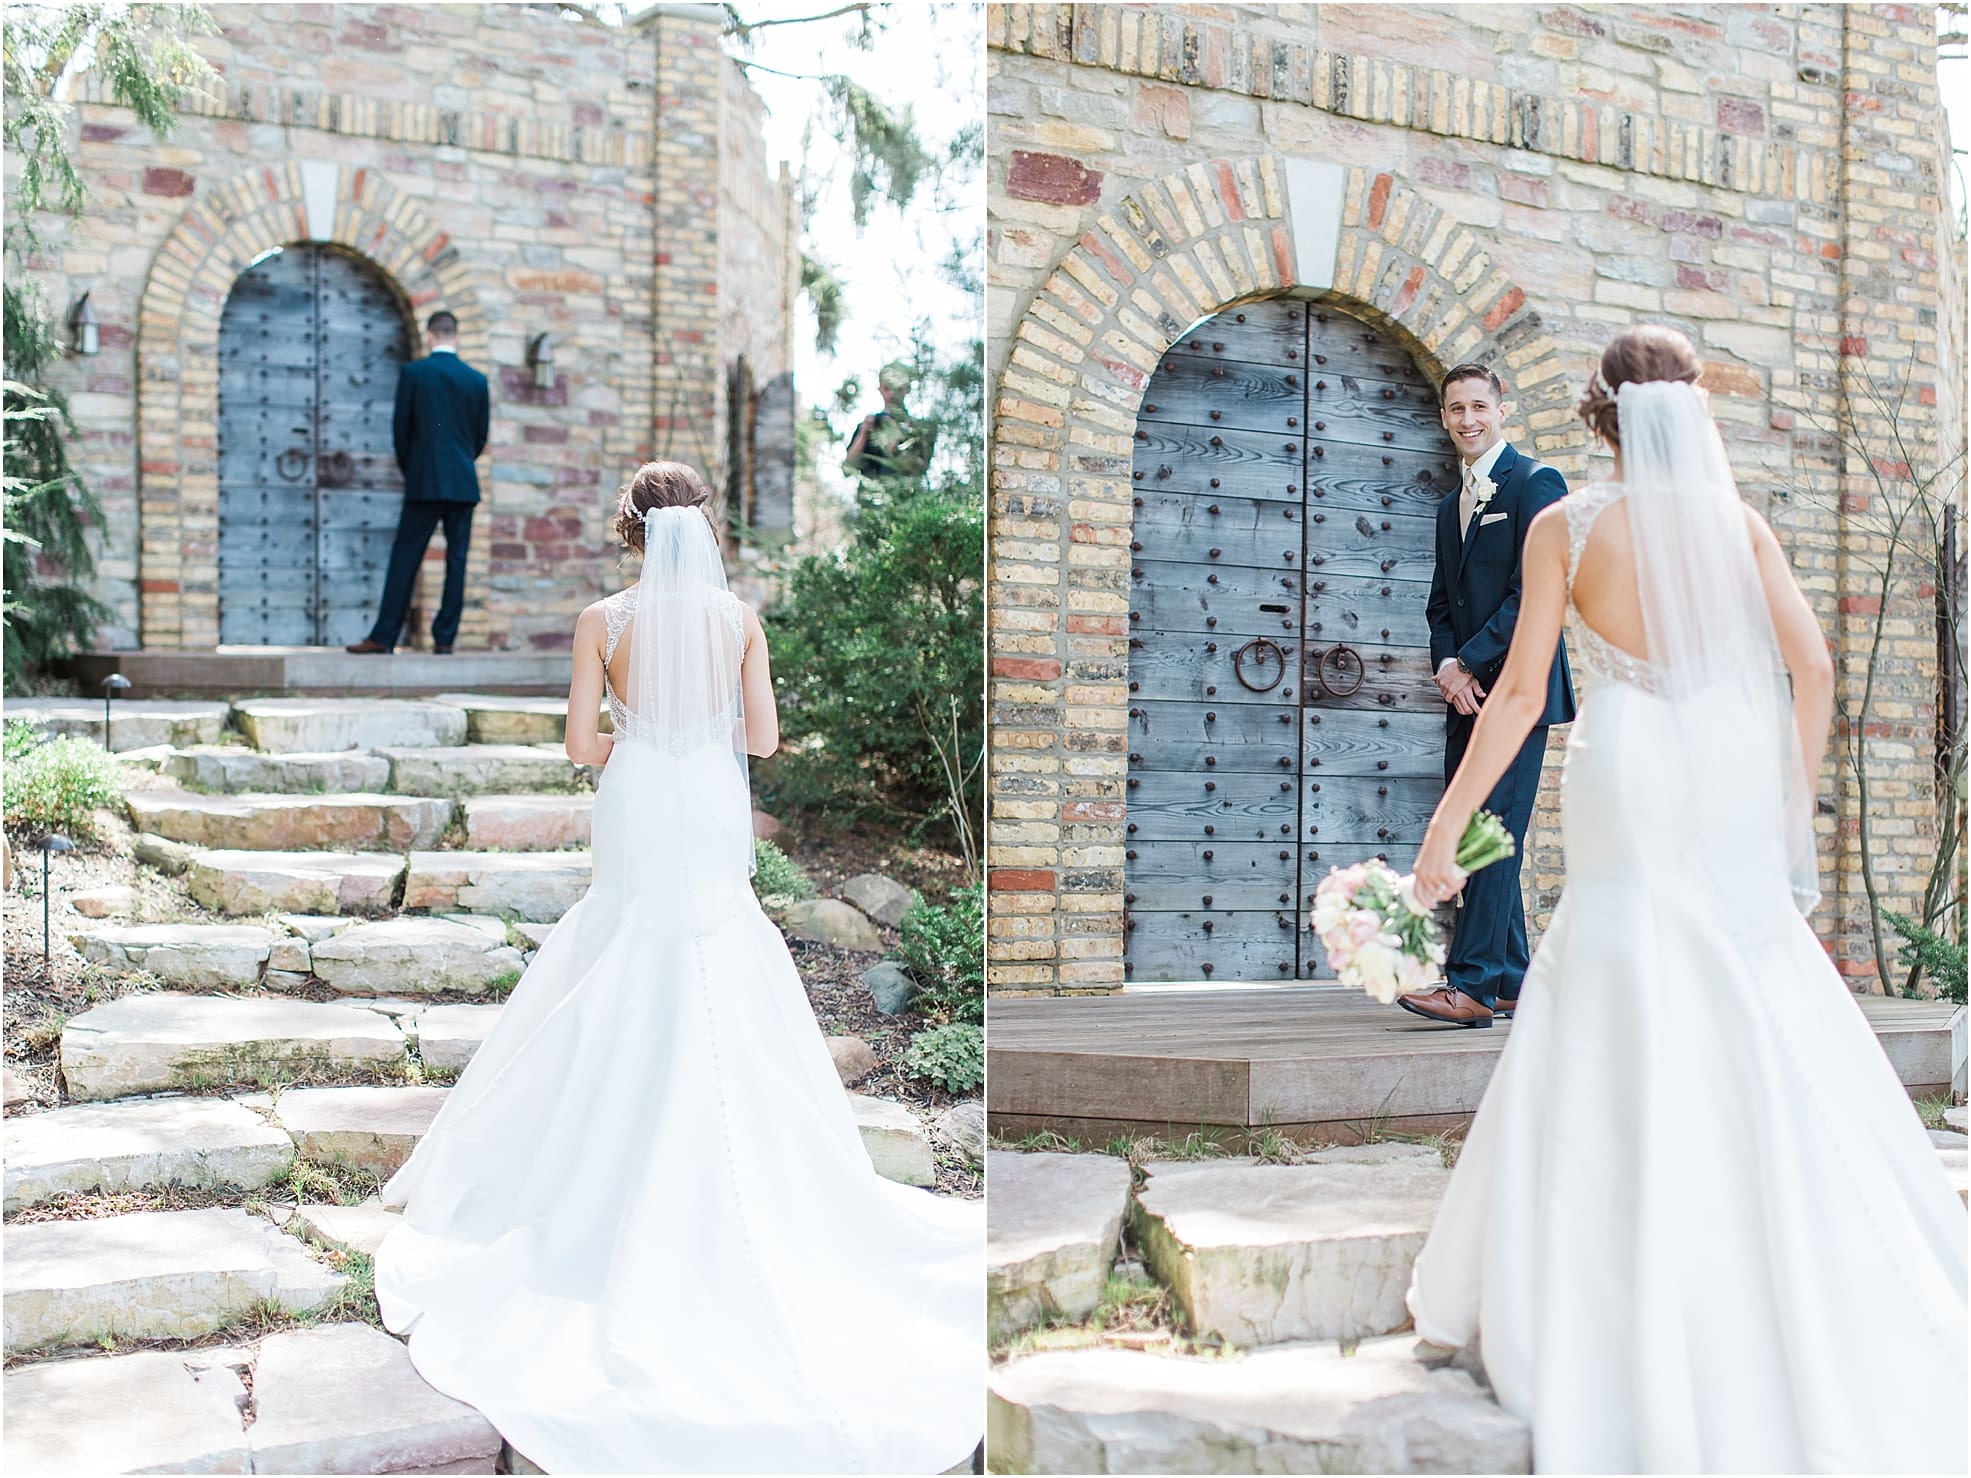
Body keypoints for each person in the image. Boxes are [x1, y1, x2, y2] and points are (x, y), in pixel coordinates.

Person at [1403, 326, 1967, 1473]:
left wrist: (1442, 834)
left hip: (1624, 763)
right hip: (1716, 770)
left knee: (1612, 952)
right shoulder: (1736, 523)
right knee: (1739, 964)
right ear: (1690, 412)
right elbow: (1809, 666)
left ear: (1599, 419)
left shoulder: (1569, 525)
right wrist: (1789, 798)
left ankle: (1605, 1268)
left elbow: (1516, 697)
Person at [371, 462, 983, 1474]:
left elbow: (580, 744)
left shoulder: (600, 619)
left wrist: (639, 737)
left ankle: (594, 1153)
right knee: (719, 950)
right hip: (708, 796)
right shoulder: (739, 615)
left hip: (643, 795)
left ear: (631, 528)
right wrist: (697, 736)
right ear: (702, 525)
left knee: (625, 946)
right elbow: (769, 737)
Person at [1402, 365, 1575, 1027]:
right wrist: (1448, 665)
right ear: (1444, 417)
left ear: (1501, 410)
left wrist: (1473, 662)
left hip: (1518, 692)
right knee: (1482, 830)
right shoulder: (1452, 505)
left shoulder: (1535, 484)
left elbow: (1536, 592)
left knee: (1486, 834)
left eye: (1478, 406)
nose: (1466, 419)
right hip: (1465, 698)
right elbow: (1441, 602)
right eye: (1455, 409)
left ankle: (1469, 986)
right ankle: (1509, 980)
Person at [346, 310, 489, 654]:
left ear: (429, 335)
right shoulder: (476, 380)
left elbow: (401, 432)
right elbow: (480, 437)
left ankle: (384, 636)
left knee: (406, 558)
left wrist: (415, 470)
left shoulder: (414, 373)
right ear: (456, 336)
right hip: (463, 483)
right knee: (457, 561)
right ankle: (444, 640)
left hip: (424, 480)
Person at [841, 360, 934, 480]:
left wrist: (898, 449)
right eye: (886, 388)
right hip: (873, 495)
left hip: (906, 495)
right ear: (880, 389)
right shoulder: (870, 426)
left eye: (897, 388)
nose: (891, 394)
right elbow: (848, 468)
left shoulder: (919, 429)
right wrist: (863, 434)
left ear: (907, 389)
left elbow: (921, 469)